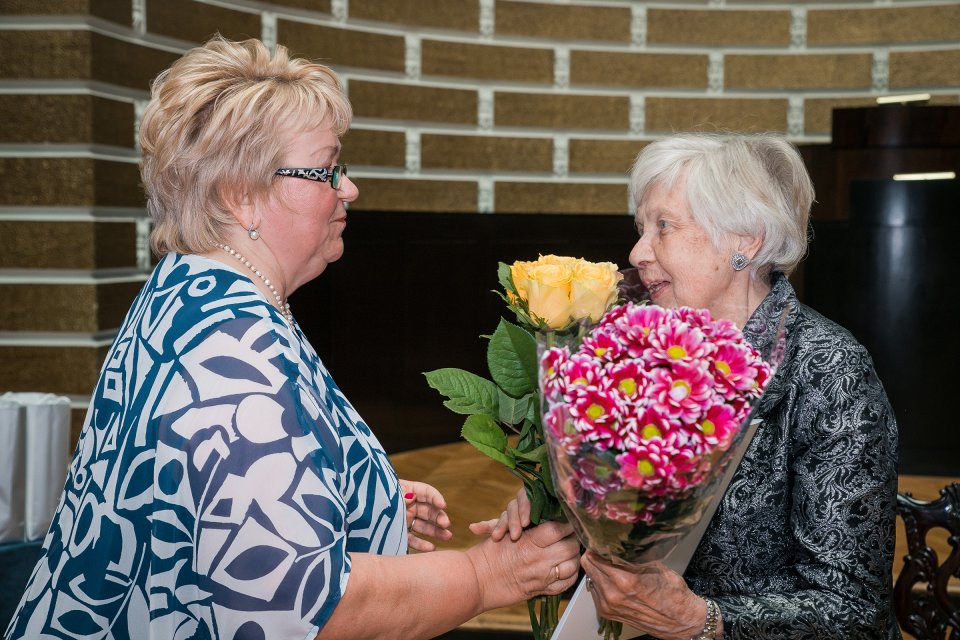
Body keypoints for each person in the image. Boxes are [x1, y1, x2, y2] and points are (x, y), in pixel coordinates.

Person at [3, 36, 581, 640]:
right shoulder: (232, 351)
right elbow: (306, 608)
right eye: (327, 169)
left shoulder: (191, 288)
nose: (348, 188)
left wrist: (357, 504)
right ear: (241, 193)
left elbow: (207, 493)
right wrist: (489, 575)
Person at [485, 134, 901, 639]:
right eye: (640, 228)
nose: (638, 251)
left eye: (663, 226)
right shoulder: (631, 345)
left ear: (745, 239)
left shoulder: (829, 370)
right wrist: (553, 502)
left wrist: (700, 622)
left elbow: (854, 612)